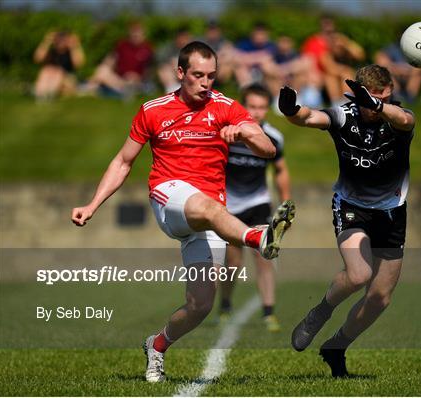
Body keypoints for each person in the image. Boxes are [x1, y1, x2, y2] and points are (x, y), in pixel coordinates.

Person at [71, 41, 295, 383]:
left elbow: (267, 147)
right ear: (180, 73)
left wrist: (245, 135)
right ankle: (259, 236)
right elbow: (123, 161)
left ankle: (156, 345)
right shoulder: (153, 109)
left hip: (209, 214)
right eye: (198, 75)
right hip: (169, 198)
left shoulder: (225, 106)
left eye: (212, 75)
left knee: (200, 305)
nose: (206, 82)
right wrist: (92, 204)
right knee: (206, 205)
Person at [278, 64, 415, 378]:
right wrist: (290, 111)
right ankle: (320, 312)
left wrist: (380, 106)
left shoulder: (396, 117)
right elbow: (312, 117)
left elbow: (408, 120)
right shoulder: (345, 115)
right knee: (358, 274)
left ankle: (336, 346)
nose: (382, 104)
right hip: (352, 206)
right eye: (374, 98)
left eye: (386, 98)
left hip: (392, 211)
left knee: (380, 297)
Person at [219, 84, 291, 332]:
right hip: (228, 205)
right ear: (242, 107)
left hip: (258, 202)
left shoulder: (274, 137)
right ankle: (225, 304)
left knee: (264, 257)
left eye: (262, 107)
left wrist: (285, 201)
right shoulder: (227, 134)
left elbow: (280, 170)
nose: (257, 112)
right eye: (252, 107)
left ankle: (268, 312)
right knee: (233, 262)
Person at [301, 15, 366, 106]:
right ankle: (338, 103)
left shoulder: (342, 43)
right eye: (327, 31)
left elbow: (360, 55)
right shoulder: (323, 49)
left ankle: (347, 101)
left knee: (345, 75)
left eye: (332, 32)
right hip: (323, 76)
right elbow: (329, 66)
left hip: (341, 75)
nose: (329, 35)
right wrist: (343, 70)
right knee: (333, 76)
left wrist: (346, 43)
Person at [81, 22, 154, 98]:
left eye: (138, 34)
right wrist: (105, 67)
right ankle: (91, 87)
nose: (135, 36)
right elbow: (111, 59)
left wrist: (138, 77)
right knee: (102, 70)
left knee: (100, 79)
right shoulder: (122, 45)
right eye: (133, 33)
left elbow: (150, 70)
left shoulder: (148, 48)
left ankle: (87, 88)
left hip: (137, 81)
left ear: (143, 35)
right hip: (120, 79)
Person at [33, 30, 85, 100]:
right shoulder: (52, 51)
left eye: (64, 39)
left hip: (67, 80)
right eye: (59, 39)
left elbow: (79, 63)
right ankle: (41, 94)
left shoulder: (70, 52)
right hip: (51, 78)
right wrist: (46, 42)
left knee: (58, 71)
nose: (61, 42)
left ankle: (49, 94)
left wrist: (74, 45)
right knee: (47, 69)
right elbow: (38, 59)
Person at [156, 26, 193, 93]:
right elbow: (160, 60)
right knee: (163, 69)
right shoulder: (169, 49)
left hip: (189, 73)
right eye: (182, 37)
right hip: (173, 74)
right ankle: (172, 90)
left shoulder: (195, 49)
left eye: (186, 37)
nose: (184, 40)